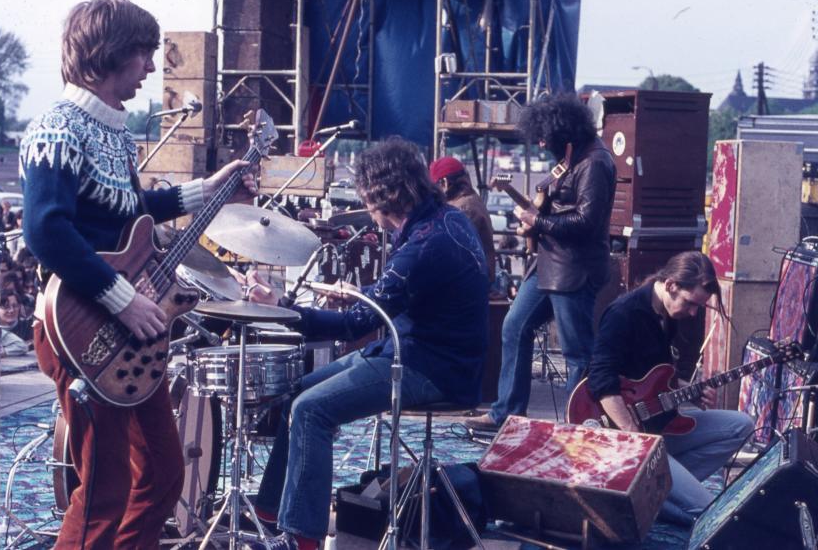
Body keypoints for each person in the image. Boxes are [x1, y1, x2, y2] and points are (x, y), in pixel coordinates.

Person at [20, 0, 255, 549]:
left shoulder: (115, 132)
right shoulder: (57, 129)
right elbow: (47, 232)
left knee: (164, 475)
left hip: (130, 333)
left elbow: (128, 213)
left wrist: (209, 189)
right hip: (84, 328)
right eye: (145, 54)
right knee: (103, 490)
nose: (152, 68)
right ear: (109, 55)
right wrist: (122, 298)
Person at [248, 137, 490, 550]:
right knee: (298, 393)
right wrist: (368, 293)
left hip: (433, 369)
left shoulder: (421, 248)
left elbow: (354, 325)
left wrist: (283, 307)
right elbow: (405, 298)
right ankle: (272, 512)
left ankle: (300, 538)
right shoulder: (448, 219)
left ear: (383, 196)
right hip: (425, 350)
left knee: (311, 410)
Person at [465, 94, 617, 432]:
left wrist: (538, 222)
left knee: (577, 352)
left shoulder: (595, 162)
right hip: (550, 264)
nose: (542, 142)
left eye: (545, 136)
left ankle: (579, 423)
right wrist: (539, 213)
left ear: (565, 129)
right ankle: (506, 413)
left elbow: (587, 223)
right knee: (514, 327)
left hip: (575, 269)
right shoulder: (573, 154)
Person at [585, 251, 753, 524]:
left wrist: (689, 390)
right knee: (709, 512)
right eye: (690, 303)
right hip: (629, 435)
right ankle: (650, 500)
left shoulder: (667, 314)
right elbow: (601, 380)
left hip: (660, 426)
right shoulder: (623, 313)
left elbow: (655, 377)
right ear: (671, 285)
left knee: (741, 424)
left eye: (698, 307)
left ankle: (653, 492)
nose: (692, 312)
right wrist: (633, 435)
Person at [429, 155, 496, 285]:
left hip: (469, 282)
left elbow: (451, 252)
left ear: (444, 183)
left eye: (434, 186)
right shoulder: (470, 199)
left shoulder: (462, 209)